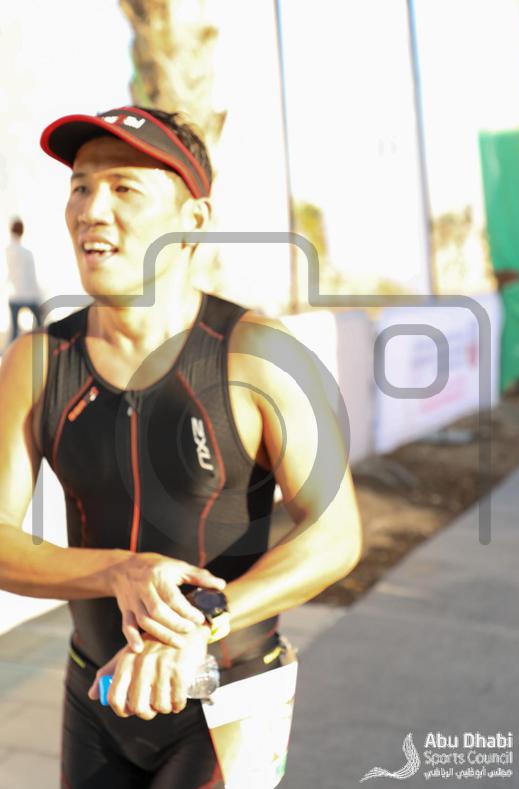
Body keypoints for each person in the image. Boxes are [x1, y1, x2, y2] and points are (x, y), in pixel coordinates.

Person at [0, 105, 362, 788]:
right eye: (80, 186)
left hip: (231, 692)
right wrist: (120, 572)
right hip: (98, 692)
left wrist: (202, 622)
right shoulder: (38, 360)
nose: (91, 210)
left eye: (124, 188)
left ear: (194, 219)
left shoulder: (259, 353)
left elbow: (336, 535)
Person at [4, 217, 42, 341]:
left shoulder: (7, 251)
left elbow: (7, 275)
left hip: (14, 296)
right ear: (22, 231)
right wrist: (39, 296)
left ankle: (11, 351)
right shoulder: (26, 253)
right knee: (40, 326)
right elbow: (32, 277)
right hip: (29, 296)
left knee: (14, 333)